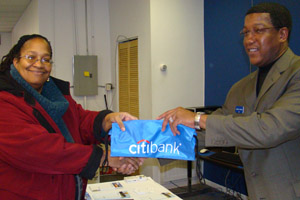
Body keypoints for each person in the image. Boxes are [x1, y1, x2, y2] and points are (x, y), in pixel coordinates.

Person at [158, 2, 300, 200]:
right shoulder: (242, 87)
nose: (249, 40)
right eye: (245, 33)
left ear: (282, 34)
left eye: (258, 31)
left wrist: (197, 118)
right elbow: (210, 132)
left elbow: (270, 128)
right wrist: (149, 145)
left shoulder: (296, 74)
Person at [0, 34, 144, 200]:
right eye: (31, 57)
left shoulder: (55, 96)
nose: (39, 64)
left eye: (46, 59)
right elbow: (40, 150)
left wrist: (107, 120)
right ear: (15, 61)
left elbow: (79, 120)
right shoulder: (5, 101)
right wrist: (105, 158)